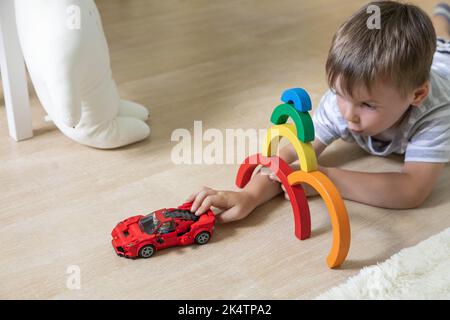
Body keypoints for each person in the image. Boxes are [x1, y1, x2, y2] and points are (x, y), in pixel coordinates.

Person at [186, 1, 450, 223]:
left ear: (416, 95)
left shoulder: (436, 115)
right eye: (339, 94)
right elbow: (291, 156)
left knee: (442, 47)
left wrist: (326, 177)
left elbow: (411, 190)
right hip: (431, 60)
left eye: (367, 105)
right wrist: (250, 196)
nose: (348, 114)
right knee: (437, 42)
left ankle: (442, 20)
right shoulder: (341, 104)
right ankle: (442, 14)